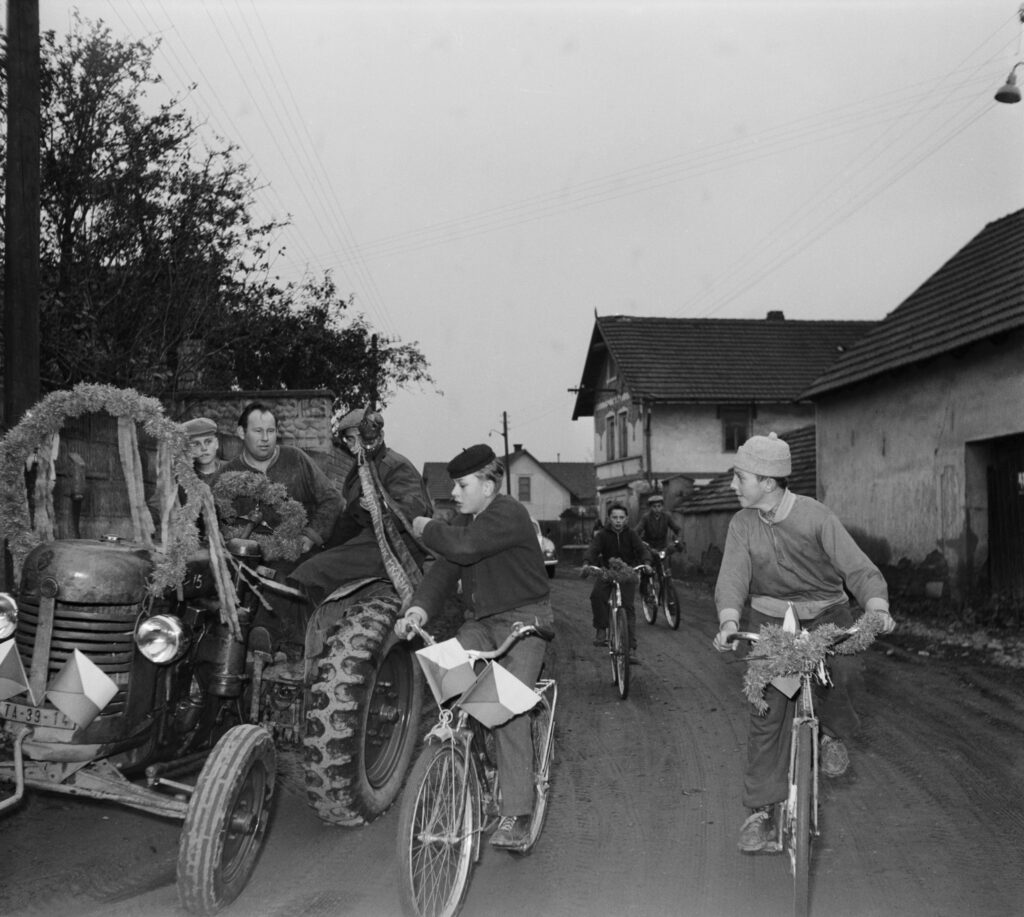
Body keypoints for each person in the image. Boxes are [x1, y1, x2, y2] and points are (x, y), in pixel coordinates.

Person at [711, 432, 896, 854]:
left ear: (769, 482)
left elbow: (859, 570)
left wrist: (877, 607)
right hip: (772, 621)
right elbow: (733, 578)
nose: (734, 485)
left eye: (740, 477)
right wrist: (728, 621)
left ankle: (830, 732)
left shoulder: (816, 517)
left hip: (828, 614)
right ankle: (762, 812)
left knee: (845, 672)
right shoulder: (741, 525)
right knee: (767, 709)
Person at [394, 444, 553, 850]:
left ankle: (517, 810)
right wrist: (417, 612)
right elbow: (445, 572)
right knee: (444, 671)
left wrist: (424, 526)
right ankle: (471, 755)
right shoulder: (468, 523)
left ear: (488, 484)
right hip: (481, 624)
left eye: (462, 485)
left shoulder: (507, 513)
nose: (456, 493)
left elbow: (461, 548)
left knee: (506, 707)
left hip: (524, 622)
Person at [219, 402, 342, 648]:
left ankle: (267, 636)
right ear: (241, 433)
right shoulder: (228, 474)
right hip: (247, 554)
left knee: (284, 577)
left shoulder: (296, 460)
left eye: (271, 431)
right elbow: (216, 515)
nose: (265, 439)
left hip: (296, 550)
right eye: (257, 431)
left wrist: (310, 536)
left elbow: (332, 499)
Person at [288, 407, 432, 607]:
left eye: (357, 438)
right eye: (348, 440)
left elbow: (412, 513)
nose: (351, 446)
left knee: (312, 572)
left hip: (393, 552)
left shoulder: (395, 466)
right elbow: (349, 522)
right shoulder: (358, 470)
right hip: (367, 542)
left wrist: (381, 507)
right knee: (304, 563)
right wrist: (318, 542)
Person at [584, 503, 651, 660]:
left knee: (628, 608)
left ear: (626, 519)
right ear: (609, 519)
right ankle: (601, 629)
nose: (618, 521)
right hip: (607, 571)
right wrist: (587, 562)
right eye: (615, 517)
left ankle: (631, 648)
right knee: (597, 595)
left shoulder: (632, 534)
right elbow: (593, 549)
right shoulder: (602, 535)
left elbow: (642, 550)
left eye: (621, 518)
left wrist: (647, 563)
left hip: (627, 573)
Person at [635, 491, 682, 596]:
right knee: (648, 571)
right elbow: (636, 532)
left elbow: (677, 529)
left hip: (662, 548)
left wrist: (677, 540)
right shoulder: (645, 518)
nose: (657, 509)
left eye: (659, 506)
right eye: (654, 506)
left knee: (666, 573)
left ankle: (669, 598)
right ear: (650, 508)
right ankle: (645, 590)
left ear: (662, 507)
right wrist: (641, 543)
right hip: (649, 548)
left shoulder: (667, 517)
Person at [182, 417, 225, 482]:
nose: (204, 448)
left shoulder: (232, 469)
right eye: (196, 444)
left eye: (208, 442)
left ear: (216, 443)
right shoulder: (183, 477)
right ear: (188, 448)